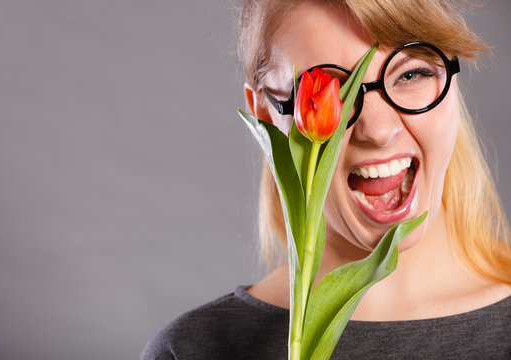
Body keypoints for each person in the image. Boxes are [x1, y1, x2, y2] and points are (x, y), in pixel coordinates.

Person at [142, 0, 511, 358]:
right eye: (333, 92)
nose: (378, 130)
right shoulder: (192, 350)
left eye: (412, 74)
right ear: (265, 117)